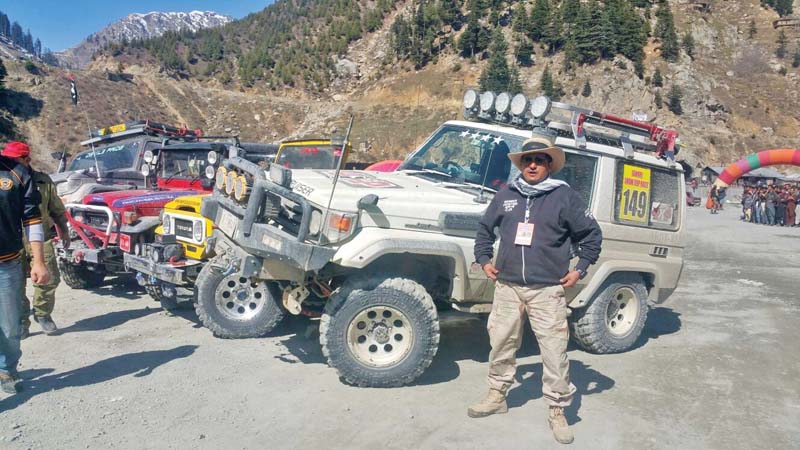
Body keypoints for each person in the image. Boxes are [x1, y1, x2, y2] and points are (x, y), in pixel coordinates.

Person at [470, 136, 602, 445]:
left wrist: (579, 268)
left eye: (540, 160)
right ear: (521, 164)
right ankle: (497, 395)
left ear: (549, 165)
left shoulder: (564, 197)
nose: (533, 164)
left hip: (547, 290)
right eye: (528, 160)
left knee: (554, 351)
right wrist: (484, 258)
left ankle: (557, 409)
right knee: (501, 342)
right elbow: (484, 229)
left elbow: (591, 236)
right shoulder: (506, 195)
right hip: (507, 286)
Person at [1, 144, 69, 337]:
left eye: (15, 159)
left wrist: (63, 230)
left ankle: (43, 314)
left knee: (50, 279)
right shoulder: (5, 180)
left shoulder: (42, 180)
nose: (10, 163)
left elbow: (56, 209)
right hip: (13, 239)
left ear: (27, 160)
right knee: (16, 284)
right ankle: (22, 319)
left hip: (41, 237)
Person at [0, 141, 50, 394]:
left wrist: (39, 261)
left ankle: (7, 369)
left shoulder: (18, 173)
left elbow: (32, 218)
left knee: (9, 325)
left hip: (5, 265)